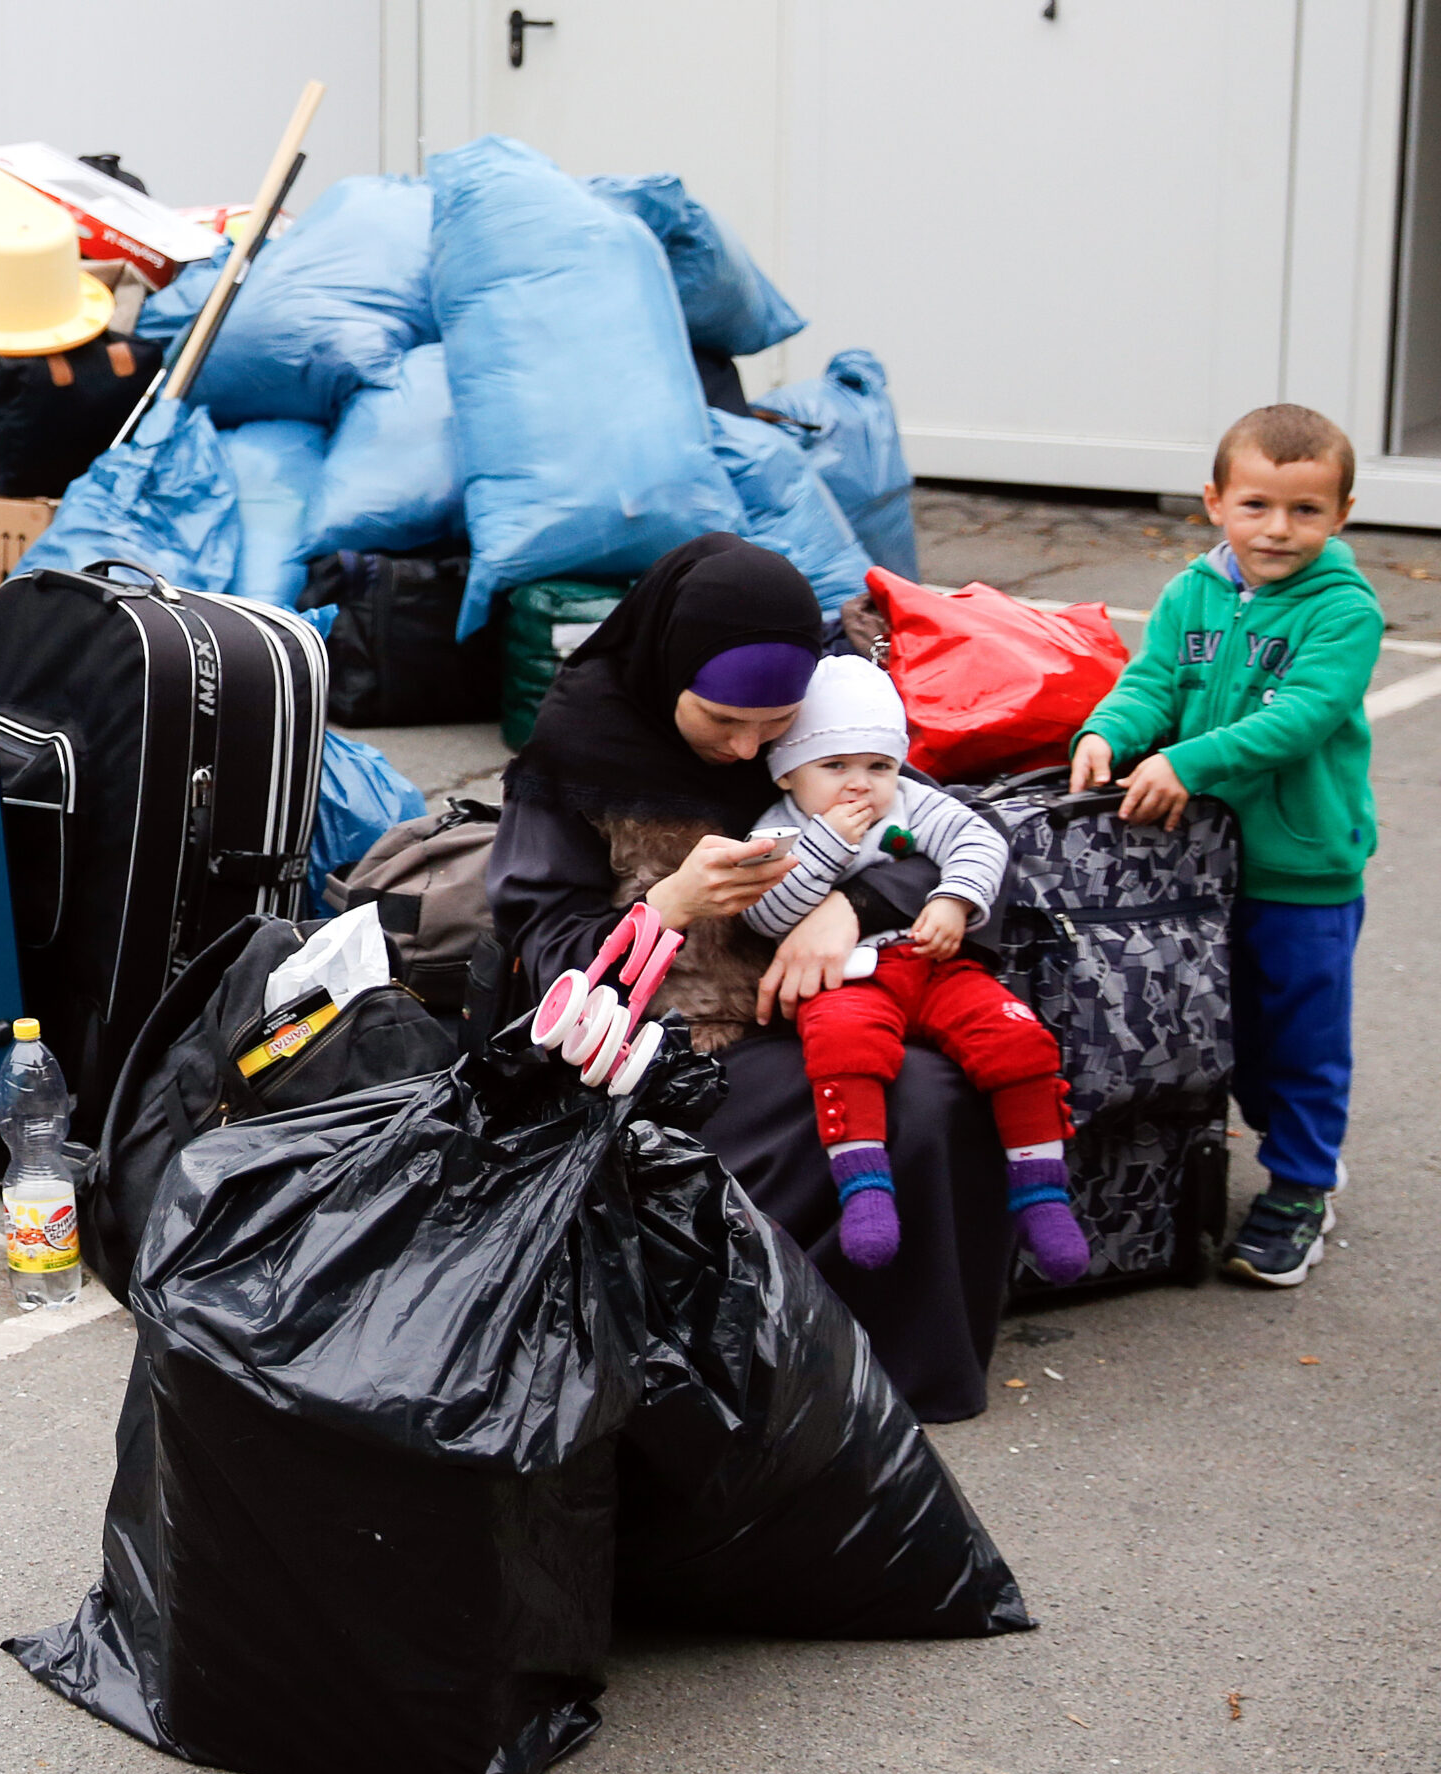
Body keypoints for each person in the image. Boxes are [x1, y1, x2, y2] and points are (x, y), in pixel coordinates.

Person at [489, 532, 1018, 1422]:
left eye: (776, 729)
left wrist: (854, 904)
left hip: (829, 1005)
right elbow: (539, 942)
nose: (745, 752)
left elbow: (944, 837)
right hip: (660, 1038)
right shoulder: (580, 743)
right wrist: (670, 903)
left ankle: (902, 1382)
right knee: (840, 1108)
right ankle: (787, 1363)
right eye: (721, 722)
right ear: (669, 674)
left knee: (935, 1089)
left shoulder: (828, 717)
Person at [1071, 403, 1382, 1288]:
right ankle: (1291, 1148)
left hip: (1301, 871)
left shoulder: (1343, 610)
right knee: (1220, 1033)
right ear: (1215, 502)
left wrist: (1187, 762)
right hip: (1197, 869)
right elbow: (1152, 684)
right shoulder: (1191, 593)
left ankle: (1301, 1185)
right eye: (1257, 505)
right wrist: (1106, 732)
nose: (1278, 529)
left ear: (1342, 514)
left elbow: (1301, 718)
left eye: (1306, 510)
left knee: (1300, 1039)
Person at [744, 656, 1089, 1282]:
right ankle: (866, 1190)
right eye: (835, 766)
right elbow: (766, 916)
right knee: (842, 1048)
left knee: (1018, 1038)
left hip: (935, 966)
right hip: (848, 977)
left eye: (879, 765)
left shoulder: (909, 803)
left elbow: (980, 840)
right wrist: (827, 848)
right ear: (787, 774)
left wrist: (955, 897)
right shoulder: (779, 831)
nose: (860, 785)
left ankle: (1042, 1191)